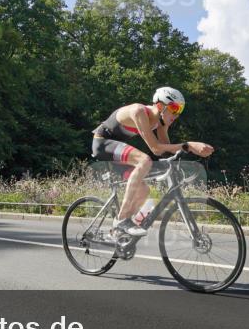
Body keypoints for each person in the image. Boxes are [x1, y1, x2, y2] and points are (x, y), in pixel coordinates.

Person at [91, 87, 214, 239]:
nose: (177, 114)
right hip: (103, 143)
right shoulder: (139, 112)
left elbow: (166, 149)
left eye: (180, 109)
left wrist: (189, 151)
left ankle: (118, 229)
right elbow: (155, 148)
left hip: (119, 150)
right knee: (144, 160)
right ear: (161, 106)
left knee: (143, 190)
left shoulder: (161, 123)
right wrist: (188, 145)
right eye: (175, 108)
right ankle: (123, 219)